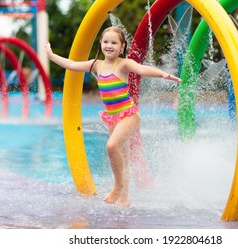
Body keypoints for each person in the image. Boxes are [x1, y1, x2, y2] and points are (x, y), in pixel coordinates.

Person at [44, 26, 181, 208]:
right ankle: (125, 197)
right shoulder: (97, 65)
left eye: (114, 42)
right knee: (121, 157)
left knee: (111, 146)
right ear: (100, 43)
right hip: (113, 118)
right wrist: (52, 56)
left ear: (122, 46)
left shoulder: (123, 64)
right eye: (106, 42)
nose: (109, 45)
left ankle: (117, 187)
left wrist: (163, 74)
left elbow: (142, 69)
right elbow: (72, 65)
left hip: (129, 114)